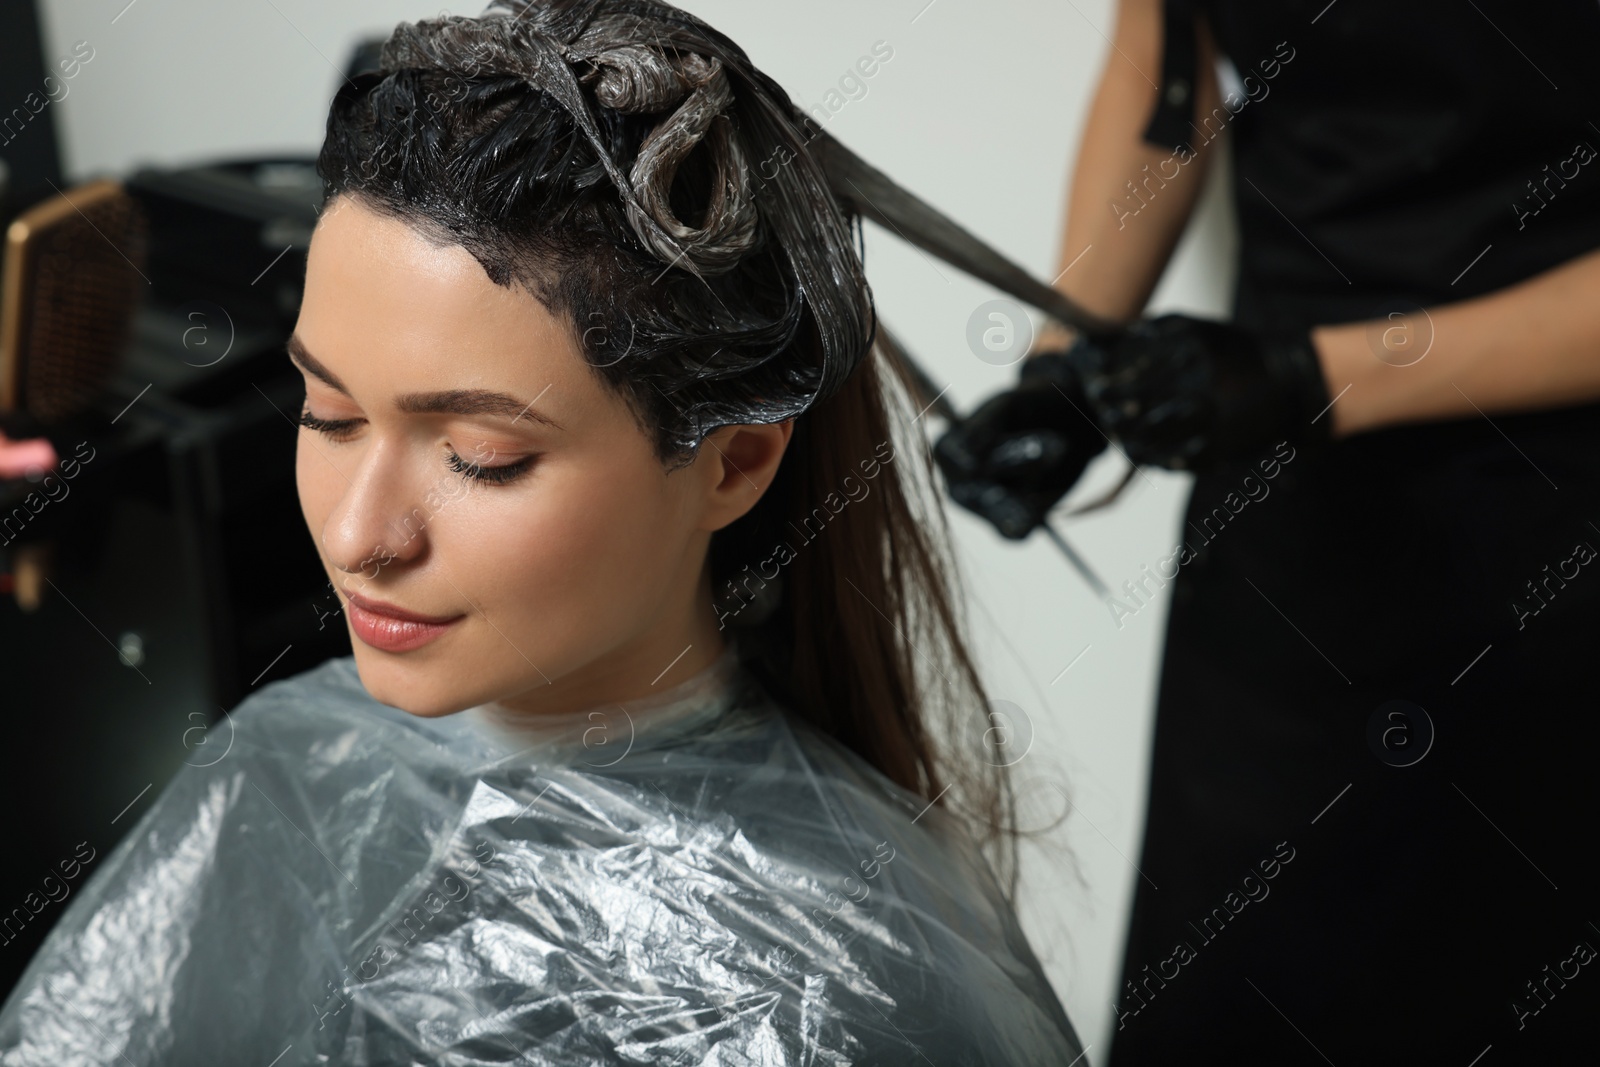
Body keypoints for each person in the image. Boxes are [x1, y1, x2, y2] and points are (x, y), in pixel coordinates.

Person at [0, 2, 1088, 1063]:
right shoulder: (286, 766)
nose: (357, 533)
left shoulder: (863, 986)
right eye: (328, 415)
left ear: (734, 459)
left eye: (480, 455)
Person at [935, 0, 1600, 1060]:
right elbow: (1159, 79)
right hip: (1289, 534)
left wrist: (1316, 374)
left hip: (1555, 535)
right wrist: (1063, 365)